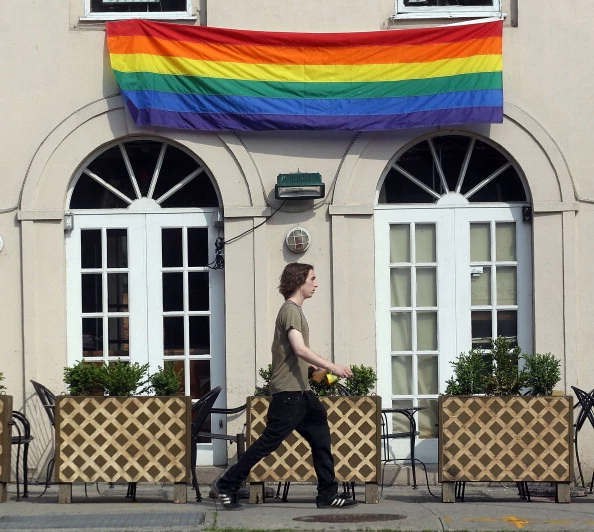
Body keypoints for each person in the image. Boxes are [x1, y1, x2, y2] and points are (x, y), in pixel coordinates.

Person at [212, 262, 358, 510]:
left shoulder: (295, 311)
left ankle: (327, 494)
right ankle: (226, 484)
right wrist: (333, 367)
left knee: (321, 438)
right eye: (312, 278)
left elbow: (295, 354)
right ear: (299, 281)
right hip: (289, 394)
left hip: (302, 393)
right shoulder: (290, 310)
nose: (316, 283)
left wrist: (313, 369)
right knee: (268, 443)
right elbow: (299, 348)